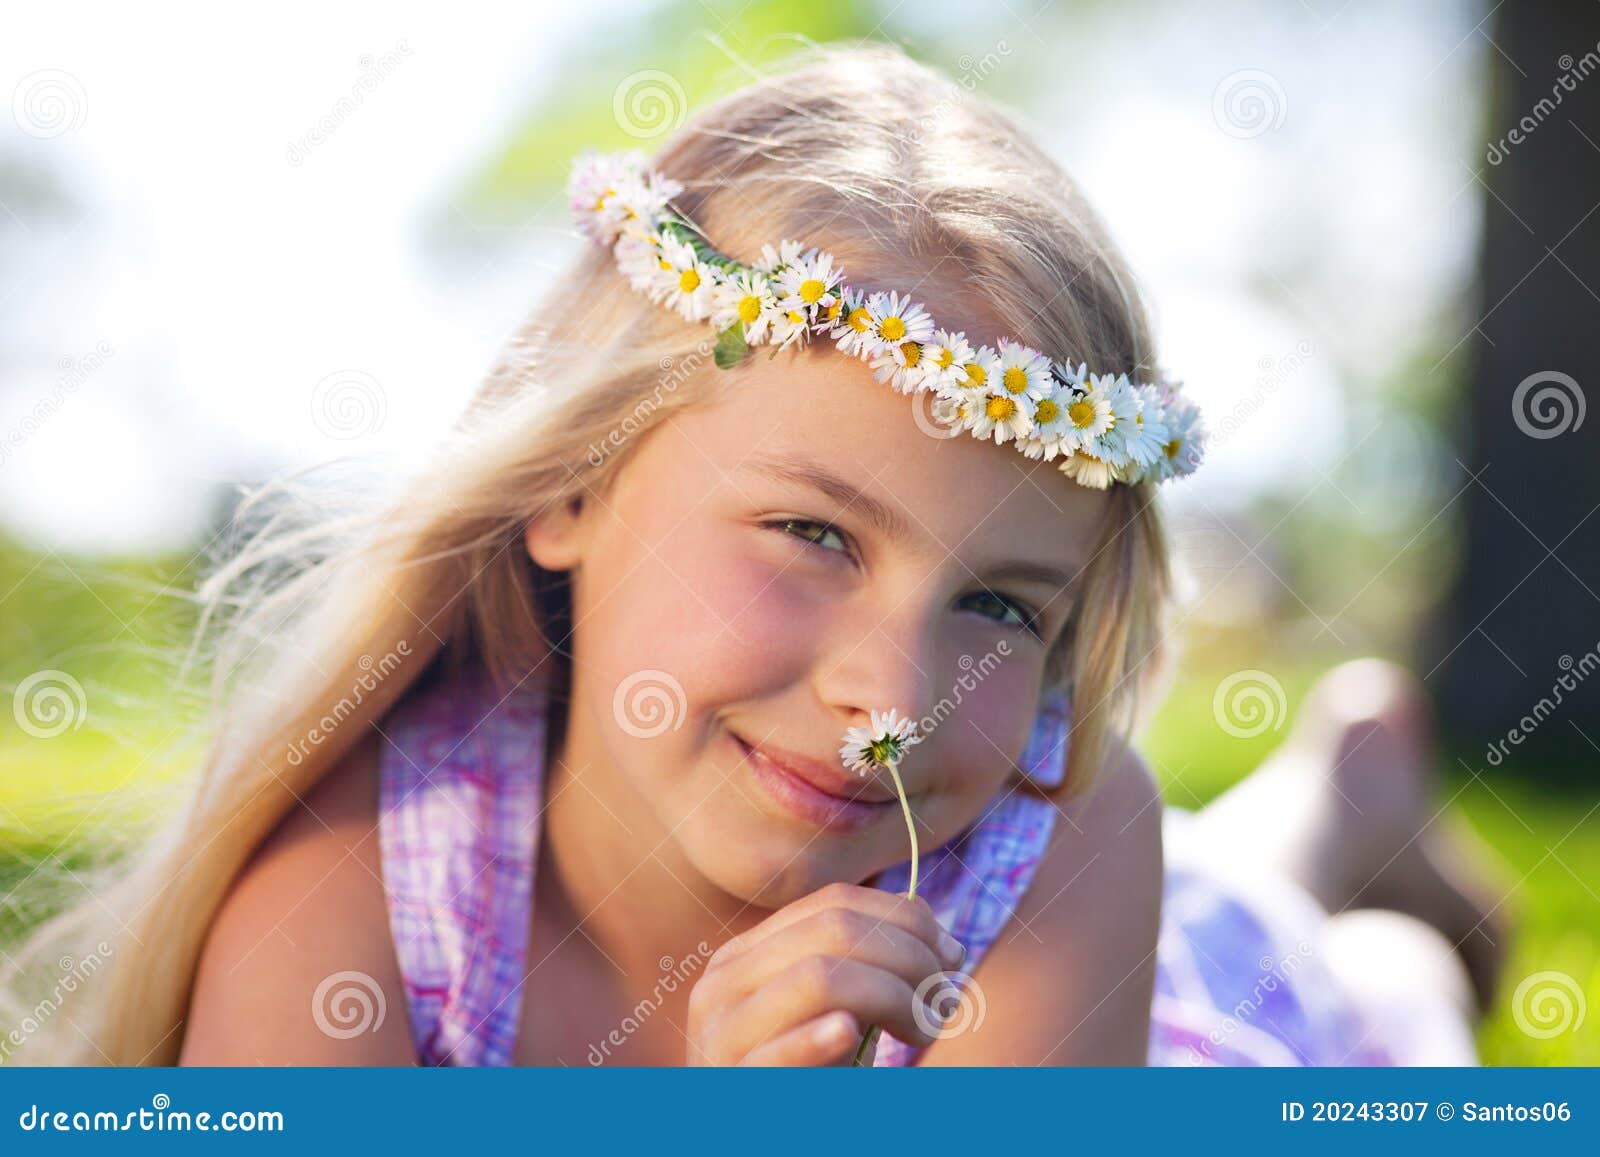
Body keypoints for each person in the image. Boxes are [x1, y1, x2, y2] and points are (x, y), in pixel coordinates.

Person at [1, 43, 1509, 1067]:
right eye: (813, 534)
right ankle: (1344, 782)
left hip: (1160, 1024)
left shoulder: (1062, 820)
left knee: (1362, 988)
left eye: (997, 604)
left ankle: (1343, 798)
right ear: (573, 484)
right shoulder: (354, 892)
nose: (893, 694)